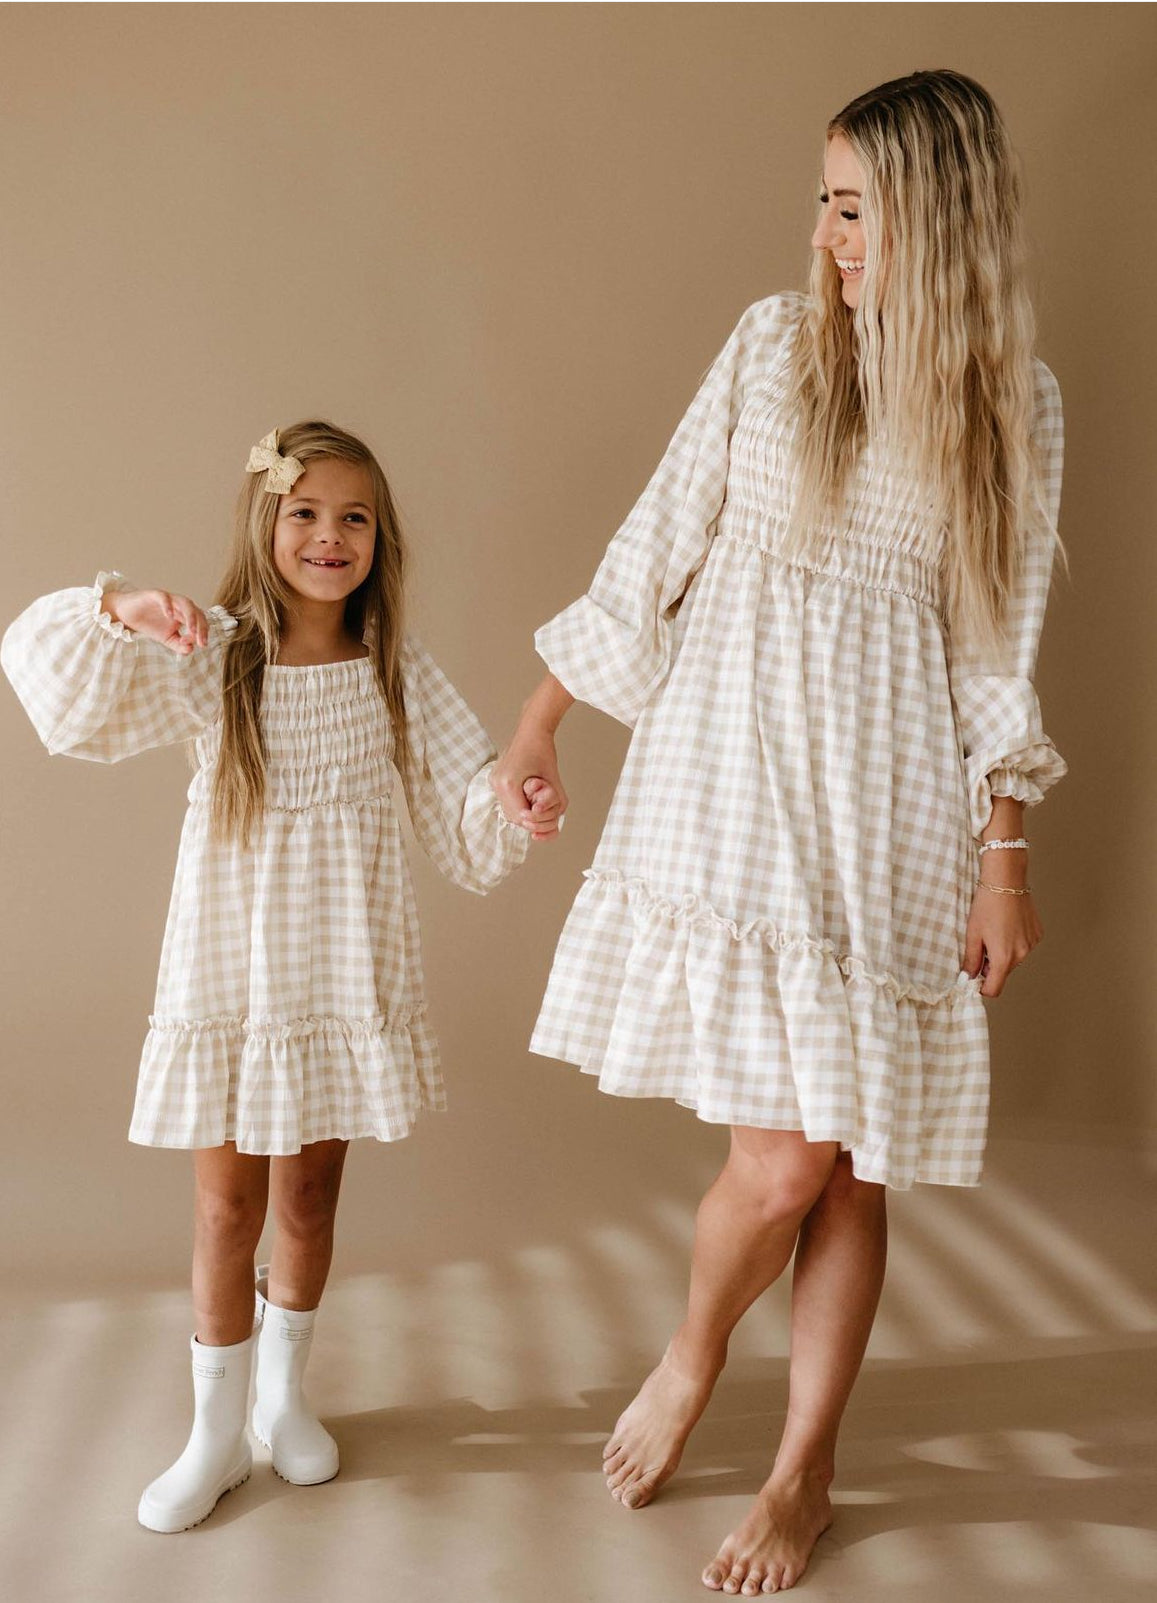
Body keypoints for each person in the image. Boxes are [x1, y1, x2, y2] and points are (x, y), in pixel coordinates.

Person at [493, 70, 1066, 1595]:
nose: (829, 236)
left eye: (859, 206)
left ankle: (802, 1463)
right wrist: (541, 717)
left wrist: (1002, 846)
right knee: (785, 1158)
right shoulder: (771, 342)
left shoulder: (1014, 399)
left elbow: (997, 642)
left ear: (938, 218)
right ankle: (693, 1353)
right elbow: (656, 540)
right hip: (733, 777)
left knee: (844, 1159)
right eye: (824, 201)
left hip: (888, 799)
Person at [2, 420, 558, 1533]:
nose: (327, 535)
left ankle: (283, 1400)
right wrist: (125, 607)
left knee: (307, 1200)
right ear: (266, 525)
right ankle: (211, 1433)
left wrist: (513, 797)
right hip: (233, 978)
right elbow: (48, 673)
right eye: (304, 512)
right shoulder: (213, 652)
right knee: (224, 1209)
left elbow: (464, 802)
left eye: (353, 516)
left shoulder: (394, 672)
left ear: (379, 541)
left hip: (338, 983)